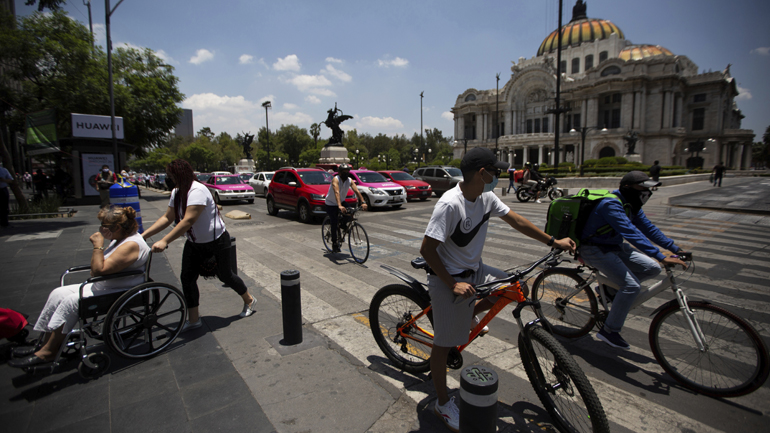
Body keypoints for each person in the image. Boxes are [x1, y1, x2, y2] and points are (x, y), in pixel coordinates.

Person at [420, 147, 575, 431]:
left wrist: (553, 241)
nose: (499, 177)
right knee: (444, 344)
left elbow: (517, 220)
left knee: (514, 286)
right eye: (497, 172)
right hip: (447, 278)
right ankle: (442, 404)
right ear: (482, 173)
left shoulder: (486, 197)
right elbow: (428, 249)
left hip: (475, 269)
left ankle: (470, 314)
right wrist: (453, 284)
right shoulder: (450, 204)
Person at [8, 207, 149, 367]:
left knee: (72, 301)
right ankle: (46, 344)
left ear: (116, 227)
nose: (101, 229)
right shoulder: (120, 239)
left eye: (104, 225)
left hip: (119, 290)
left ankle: (49, 352)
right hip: (106, 286)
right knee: (58, 293)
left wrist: (98, 246)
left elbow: (97, 270)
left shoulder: (131, 244)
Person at [141, 159, 258, 331]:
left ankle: (249, 300)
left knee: (226, 275)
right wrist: (142, 236)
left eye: (172, 175)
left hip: (217, 241)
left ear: (181, 174)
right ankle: (194, 319)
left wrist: (165, 240)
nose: (170, 178)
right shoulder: (177, 192)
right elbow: (167, 218)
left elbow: (188, 220)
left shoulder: (197, 190)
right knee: (187, 279)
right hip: (194, 243)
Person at [579, 171, 687, 350]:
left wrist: (675, 248)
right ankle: (609, 330)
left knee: (653, 268)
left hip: (614, 247)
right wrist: (660, 255)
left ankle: (609, 290)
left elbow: (648, 228)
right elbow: (631, 232)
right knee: (631, 286)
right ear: (628, 187)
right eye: (643, 188)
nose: (647, 192)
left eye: (648, 188)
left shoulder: (631, 204)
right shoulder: (611, 204)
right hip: (593, 248)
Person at [325, 163, 367, 253]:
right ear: (339, 173)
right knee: (334, 222)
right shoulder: (335, 180)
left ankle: (343, 224)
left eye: (347, 172)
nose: (345, 174)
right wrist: (339, 205)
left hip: (341, 200)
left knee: (350, 213)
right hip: (331, 203)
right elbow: (337, 192)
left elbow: (356, 190)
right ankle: (334, 243)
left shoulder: (349, 180)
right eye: (343, 172)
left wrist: (363, 202)